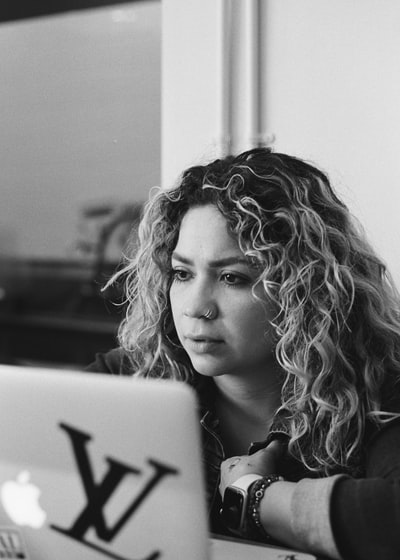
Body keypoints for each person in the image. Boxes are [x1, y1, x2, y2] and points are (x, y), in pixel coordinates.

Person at [87, 147, 400, 560]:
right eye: (181, 273)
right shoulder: (131, 376)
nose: (196, 306)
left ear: (304, 291)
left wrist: (256, 496)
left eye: (233, 277)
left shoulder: (380, 391)